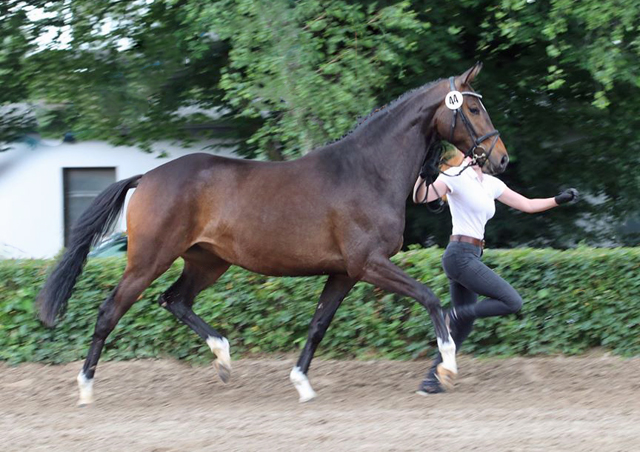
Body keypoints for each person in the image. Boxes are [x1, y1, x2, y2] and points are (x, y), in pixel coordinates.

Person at [413, 148, 579, 394]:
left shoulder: (490, 184)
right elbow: (420, 197)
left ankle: (432, 380)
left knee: (465, 324)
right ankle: (454, 315)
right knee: (512, 301)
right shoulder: (455, 177)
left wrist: (558, 200)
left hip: (471, 255)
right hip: (459, 254)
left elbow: (528, 204)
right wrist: (422, 175)